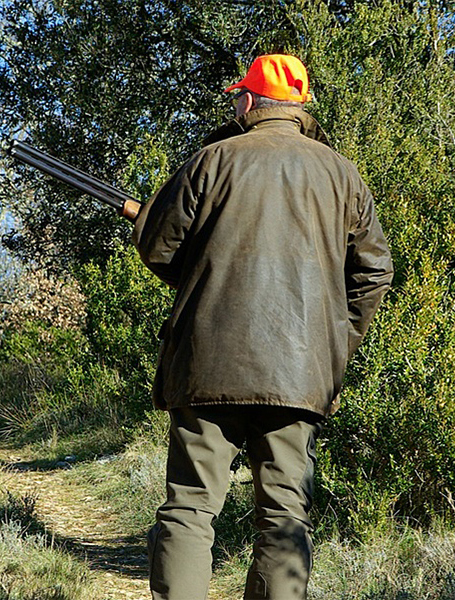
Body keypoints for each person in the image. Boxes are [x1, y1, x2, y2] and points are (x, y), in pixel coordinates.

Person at [132, 54, 394, 600]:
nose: (234, 104)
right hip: (301, 376)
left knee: (189, 509)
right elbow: (374, 272)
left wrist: (203, 276)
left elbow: (160, 247)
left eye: (237, 97)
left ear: (249, 102)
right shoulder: (342, 172)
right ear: (300, 107)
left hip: (207, 367)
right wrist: (334, 346)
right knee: (284, 516)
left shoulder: (211, 160)